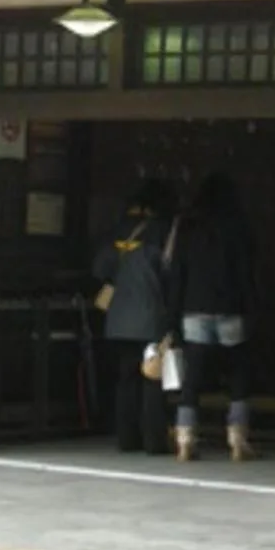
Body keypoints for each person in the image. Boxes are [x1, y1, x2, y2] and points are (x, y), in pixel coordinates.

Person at [168, 170, 256, 462]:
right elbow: (246, 274)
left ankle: (185, 437)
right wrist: (250, 308)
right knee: (237, 373)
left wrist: (172, 316)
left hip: (194, 307)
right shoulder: (238, 227)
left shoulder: (188, 227)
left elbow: (177, 273)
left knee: (192, 377)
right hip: (230, 307)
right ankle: (237, 437)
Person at [91, 179, 174, 455]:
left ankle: (126, 439)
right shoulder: (164, 232)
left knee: (126, 379)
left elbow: (100, 269)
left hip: (118, 319)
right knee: (151, 379)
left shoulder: (117, 231)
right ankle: (153, 441)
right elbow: (170, 274)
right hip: (151, 317)